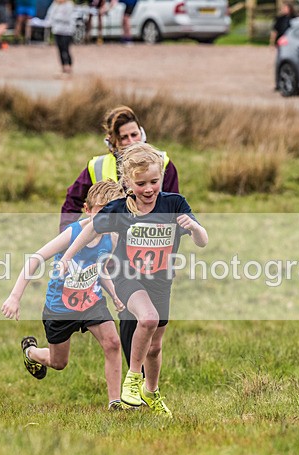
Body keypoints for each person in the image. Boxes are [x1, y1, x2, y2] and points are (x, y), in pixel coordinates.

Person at [60, 143, 209, 417]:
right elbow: (90, 228)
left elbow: (202, 241)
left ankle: (151, 392)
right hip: (126, 276)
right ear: (128, 182)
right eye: (141, 184)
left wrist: (196, 228)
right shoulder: (120, 209)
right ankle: (132, 379)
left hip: (161, 282)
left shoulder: (174, 203)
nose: (149, 189)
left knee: (155, 346)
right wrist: (68, 255)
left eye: (154, 181)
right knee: (148, 319)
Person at [60, 105, 180, 374]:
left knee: (148, 325)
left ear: (143, 133)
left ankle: (138, 380)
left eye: (134, 134)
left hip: (153, 256)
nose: (130, 141)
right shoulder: (98, 166)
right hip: (113, 255)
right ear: (111, 141)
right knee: (129, 314)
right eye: (123, 137)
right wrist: (71, 240)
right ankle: (133, 380)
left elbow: (173, 207)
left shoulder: (163, 162)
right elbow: (72, 202)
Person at [1, 181, 128, 410]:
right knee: (59, 363)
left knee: (112, 342)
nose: (106, 218)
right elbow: (35, 259)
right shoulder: (73, 233)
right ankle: (31, 352)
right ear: (87, 209)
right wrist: (14, 297)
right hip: (60, 306)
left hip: (91, 301)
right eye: (101, 211)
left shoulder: (113, 236)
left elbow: (101, 268)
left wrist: (115, 295)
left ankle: (114, 402)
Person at [270, 2, 295, 91]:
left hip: (291, 44)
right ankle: (278, 84)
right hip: (281, 44)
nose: (284, 10)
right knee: (279, 63)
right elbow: (275, 31)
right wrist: (272, 42)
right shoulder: (280, 19)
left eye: (286, 8)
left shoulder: (295, 18)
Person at [45, 0, 75, 76]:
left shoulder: (69, 5)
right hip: (57, 30)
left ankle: (69, 66)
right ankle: (63, 67)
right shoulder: (55, 4)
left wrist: (57, 18)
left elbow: (68, 17)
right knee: (60, 49)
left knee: (66, 49)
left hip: (67, 31)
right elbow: (50, 15)